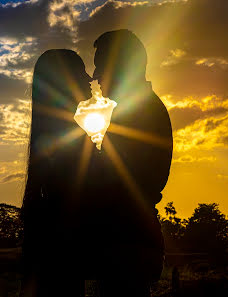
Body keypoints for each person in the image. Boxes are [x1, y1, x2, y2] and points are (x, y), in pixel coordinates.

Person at [90, 29, 173, 296]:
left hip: (128, 243)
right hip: (132, 240)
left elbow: (119, 180)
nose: (96, 79)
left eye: (101, 68)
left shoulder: (140, 111)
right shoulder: (136, 109)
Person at [21, 49, 93, 297]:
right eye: (81, 73)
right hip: (64, 254)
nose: (89, 79)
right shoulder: (70, 139)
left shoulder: (57, 135)